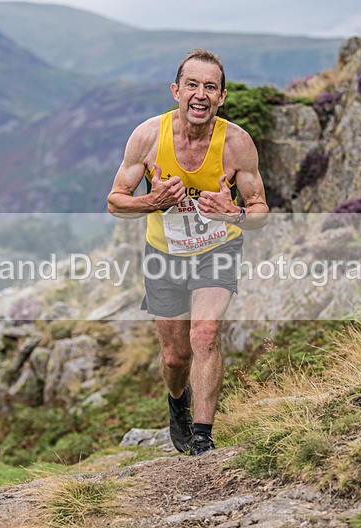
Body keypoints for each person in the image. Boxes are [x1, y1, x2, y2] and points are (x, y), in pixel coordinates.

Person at [107, 48, 269, 456]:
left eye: (210, 87)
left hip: (218, 249)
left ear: (222, 96)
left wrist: (234, 214)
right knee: (175, 358)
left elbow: (260, 212)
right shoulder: (148, 136)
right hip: (164, 254)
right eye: (192, 85)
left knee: (205, 334)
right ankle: (177, 401)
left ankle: (202, 437)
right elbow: (115, 202)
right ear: (176, 91)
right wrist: (153, 202)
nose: (201, 94)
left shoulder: (237, 143)